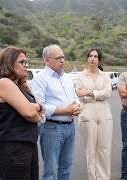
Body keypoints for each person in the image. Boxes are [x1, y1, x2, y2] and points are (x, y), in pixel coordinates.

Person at [0, 46, 45, 180]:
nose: (26, 66)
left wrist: (35, 108)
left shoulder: (20, 86)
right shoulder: (4, 83)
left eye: (27, 62)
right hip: (13, 148)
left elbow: (33, 110)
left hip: (27, 145)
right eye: (22, 62)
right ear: (9, 63)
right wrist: (38, 107)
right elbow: (30, 113)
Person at [30, 44, 82, 180]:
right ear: (47, 60)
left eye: (63, 57)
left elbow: (74, 96)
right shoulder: (40, 79)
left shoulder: (66, 77)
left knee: (66, 167)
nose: (62, 61)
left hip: (70, 126)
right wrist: (65, 110)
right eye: (58, 58)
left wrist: (77, 106)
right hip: (52, 128)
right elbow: (39, 107)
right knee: (51, 171)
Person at [75, 47, 113, 180]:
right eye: (90, 56)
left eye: (95, 56)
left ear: (99, 59)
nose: (92, 58)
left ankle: (104, 177)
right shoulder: (81, 76)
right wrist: (97, 94)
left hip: (104, 112)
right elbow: (80, 95)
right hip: (87, 112)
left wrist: (89, 92)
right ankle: (93, 177)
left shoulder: (105, 76)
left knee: (104, 148)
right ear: (87, 58)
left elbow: (107, 93)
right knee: (90, 150)